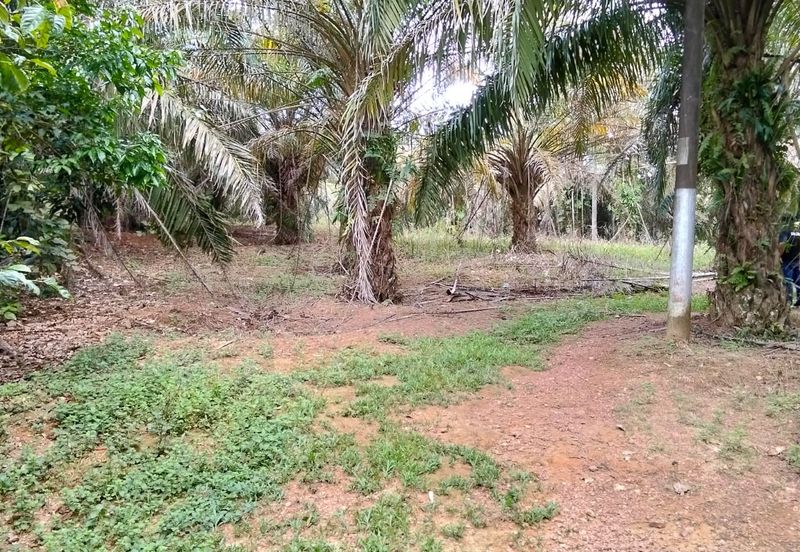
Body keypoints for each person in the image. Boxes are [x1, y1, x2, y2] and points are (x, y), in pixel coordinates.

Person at [780, 222, 800, 307]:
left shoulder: (786, 232)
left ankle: (788, 302)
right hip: (795, 262)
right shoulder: (787, 233)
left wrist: (778, 257)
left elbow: (781, 245)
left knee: (788, 282)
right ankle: (796, 304)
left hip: (788, 261)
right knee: (795, 282)